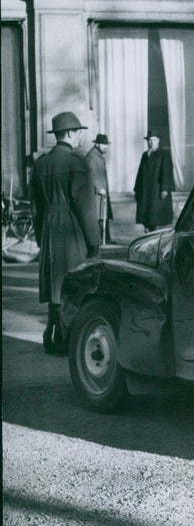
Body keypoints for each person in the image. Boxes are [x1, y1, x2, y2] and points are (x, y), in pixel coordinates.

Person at [31, 111, 101, 355]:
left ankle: (52, 334)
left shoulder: (41, 164)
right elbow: (85, 205)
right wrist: (94, 240)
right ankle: (67, 339)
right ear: (70, 134)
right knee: (73, 282)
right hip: (70, 228)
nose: (81, 136)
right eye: (79, 132)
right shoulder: (76, 162)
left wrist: (41, 237)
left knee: (54, 282)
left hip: (50, 228)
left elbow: (36, 208)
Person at [134, 129, 174, 233]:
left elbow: (167, 173)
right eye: (150, 140)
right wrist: (137, 189)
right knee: (146, 218)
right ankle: (147, 233)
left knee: (154, 218)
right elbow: (139, 173)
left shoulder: (164, 154)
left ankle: (153, 237)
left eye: (154, 140)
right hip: (145, 191)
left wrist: (164, 189)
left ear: (158, 141)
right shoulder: (145, 155)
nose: (151, 142)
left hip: (156, 191)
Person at [83, 133, 113, 243]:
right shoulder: (92, 157)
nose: (105, 146)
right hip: (97, 193)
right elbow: (90, 174)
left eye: (106, 144)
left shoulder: (98, 155)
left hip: (102, 192)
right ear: (97, 144)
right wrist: (99, 188)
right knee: (98, 216)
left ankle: (106, 238)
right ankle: (100, 239)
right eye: (103, 144)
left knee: (102, 215)